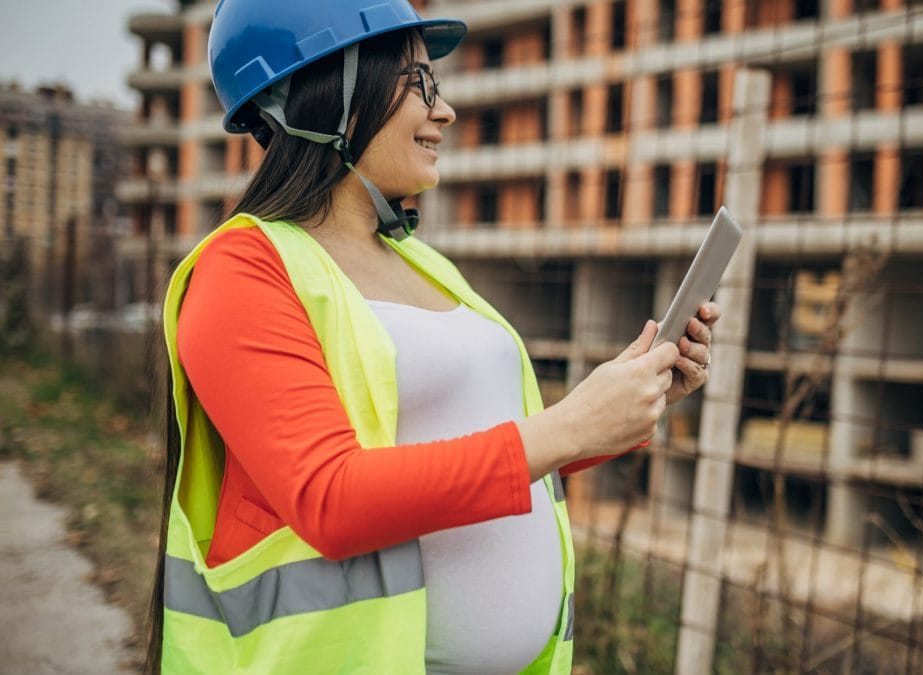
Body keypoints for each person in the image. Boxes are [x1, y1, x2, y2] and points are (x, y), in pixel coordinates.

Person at [145, 1, 721, 673]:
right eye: (417, 82)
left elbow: (485, 446)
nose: (444, 111)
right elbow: (330, 497)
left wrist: (625, 400)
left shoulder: (426, 263)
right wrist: (567, 427)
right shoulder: (241, 272)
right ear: (325, 94)